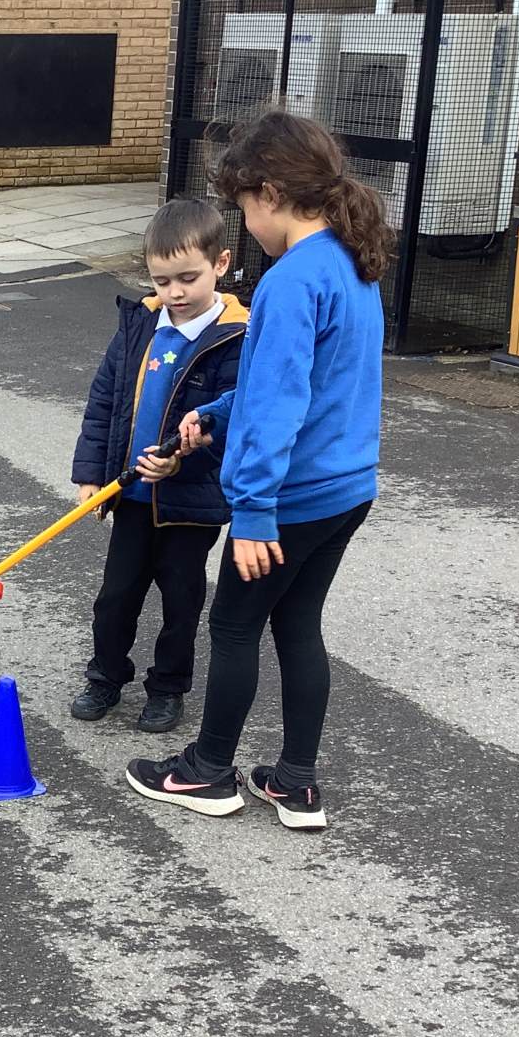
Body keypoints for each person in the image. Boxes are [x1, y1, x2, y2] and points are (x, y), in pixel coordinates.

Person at [125, 110, 391, 832]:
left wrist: (252, 511)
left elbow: (279, 405)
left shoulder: (292, 280)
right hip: (348, 488)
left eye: (244, 207)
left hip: (291, 497)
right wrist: (216, 413)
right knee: (298, 624)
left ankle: (207, 771)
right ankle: (296, 784)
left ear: (270, 193)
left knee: (236, 626)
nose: (247, 224)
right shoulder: (351, 260)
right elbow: (303, 382)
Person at [70, 199, 246, 735]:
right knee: (116, 596)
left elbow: (236, 425)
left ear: (221, 263)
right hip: (130, 497)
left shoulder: (237, 338)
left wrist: (183, 465)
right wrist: (91, 474)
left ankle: (168, 688)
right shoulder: (140, 325)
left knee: (181, 601)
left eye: (188, 278)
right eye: (161, 280)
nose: (175, 292)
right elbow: (104, 401)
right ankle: (105, 676)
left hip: (190, 504)